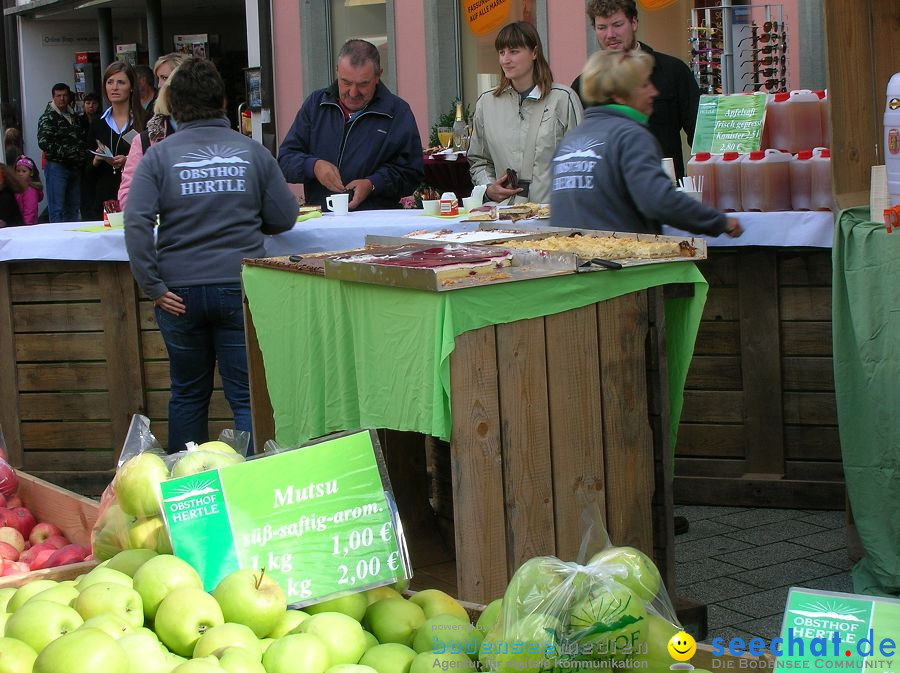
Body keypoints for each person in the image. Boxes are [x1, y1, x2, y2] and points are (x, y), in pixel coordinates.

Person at [124, 58, 297, 453]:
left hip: (177, 293)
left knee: (187, 394)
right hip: (239, 286)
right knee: (245, 396)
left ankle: (186, 489)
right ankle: (251, 490)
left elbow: (135, 224)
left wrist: (152, 285)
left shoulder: (158, 157)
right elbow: (285, 216)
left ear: (175, 106)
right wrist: (249, 220)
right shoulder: (252, 152)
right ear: (222, 101)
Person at [551, 48, 743, 238]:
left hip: (574, 261)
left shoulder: (570, 140)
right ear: (620, 95)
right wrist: (719, 222)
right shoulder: (629, 135)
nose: (654, 91)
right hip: (622, 261)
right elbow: (659, 200)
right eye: (644, 85)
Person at [277, 39, 423, 211]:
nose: (353, 93)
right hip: (322, 222)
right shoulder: (315, 105)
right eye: (346, 82)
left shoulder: (397, 111)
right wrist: (313, 166)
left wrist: (373, 184)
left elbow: (411, 173)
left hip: (376, 222)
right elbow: (285, 161)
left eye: (363, 84)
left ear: (378, 76)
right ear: (337, 71)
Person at [572, 0, 700, 180]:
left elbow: (699, 136)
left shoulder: (672, 71)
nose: (610, 34)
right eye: (602, 27)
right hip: (609, 195)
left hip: (664, 190)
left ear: (634, 22)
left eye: (617, 25)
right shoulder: (584, 84)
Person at [467, 21, 583, 205]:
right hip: (504, 216)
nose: (506, 59)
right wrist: (489, 187)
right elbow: (479, 160)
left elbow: (580, 161)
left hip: (554, 215)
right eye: (502, 52)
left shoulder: (563, 99)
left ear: (534, 53)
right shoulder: (486, 103)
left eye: (514, 51)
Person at [118, 53, 188, 208]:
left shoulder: (213, 133)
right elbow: (127, 197)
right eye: (158, 79)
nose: (160, 86)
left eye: (164, 78)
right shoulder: (145, 141)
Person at [88, 62, 147, 217]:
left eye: (121, 82)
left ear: (132, 87)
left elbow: (155, 158)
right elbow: (86, 171)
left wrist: (129, 159)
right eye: (110, 82)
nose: (114, 87)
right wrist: (97, 159)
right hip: (103, 199)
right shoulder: (97, 124)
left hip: (137, 197)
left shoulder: (146, 120)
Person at [36, 83, 86, 222]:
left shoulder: (74, 116)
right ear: (53, 97)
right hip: (57, 166)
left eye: (64, 95)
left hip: (75, 166)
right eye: (58, 96)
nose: (62, 99)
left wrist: (79, 155)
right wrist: (66, 153)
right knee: (57, 208)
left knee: (74, 207)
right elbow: (44, 142)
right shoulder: (47, 117)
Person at [13, 156, 43, 225]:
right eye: (18, 171)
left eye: (24, 171)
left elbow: (30, 210)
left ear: (31, 173)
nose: (20, 174)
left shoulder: (30, 190)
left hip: (27, 226)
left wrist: (27, 225)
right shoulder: (18, 188)